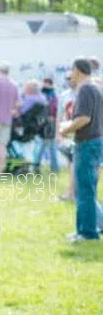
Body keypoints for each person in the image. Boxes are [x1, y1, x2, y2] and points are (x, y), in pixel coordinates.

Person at [59, 58, 103, 242]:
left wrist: (65, 128)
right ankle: (97, 225)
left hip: (86, 144)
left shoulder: (85, 89)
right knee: (89, 189)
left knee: (83, 190)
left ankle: (87, 233)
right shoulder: (96, 87)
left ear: (77, 70)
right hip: (95, 142)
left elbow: (83, 118)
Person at [34, 77, 60, 173]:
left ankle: (38, 166)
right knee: (46, 145)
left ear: (50, 84)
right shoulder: (41, 94)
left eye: (46, 83)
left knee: (47, 144)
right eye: (44, 83)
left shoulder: (52, 96)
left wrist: (51, 117)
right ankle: (54, 167)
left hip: (49, 124)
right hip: (43, 123)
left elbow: (54, 109)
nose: (44, 85)